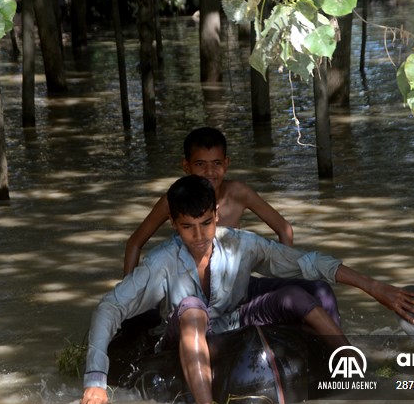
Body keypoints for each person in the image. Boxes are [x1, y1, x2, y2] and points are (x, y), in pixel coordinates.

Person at [80, 175, 414, 404]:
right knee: (192, 308)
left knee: (296, 295)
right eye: (188, 227)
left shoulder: (240, 244)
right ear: (173, 224)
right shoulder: (160, 263)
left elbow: (307, 262)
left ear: (217, 213)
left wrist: (376, 288)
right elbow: (109, 307)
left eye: (206, 223)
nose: (198, 236)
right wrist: (95, 381)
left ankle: (354, 370)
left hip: (233, 323)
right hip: (185, 335)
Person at [124, 126, 340, 325]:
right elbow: (135, 242)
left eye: (216, 163)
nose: (209, 172)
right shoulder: (174, 200)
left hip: (236, 286)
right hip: (192, 291)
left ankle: (335, 350)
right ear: (186, 166)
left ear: (226, 164)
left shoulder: (238, 192)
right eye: (200, 164)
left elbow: (284, 229)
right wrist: (130, 297)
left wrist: (285, 275)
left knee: (320, 289)